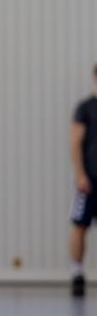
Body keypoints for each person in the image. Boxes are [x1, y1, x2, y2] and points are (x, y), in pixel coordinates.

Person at [69, 65, 97, 297]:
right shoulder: (85, 108)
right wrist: (80, 174)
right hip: (90, 178)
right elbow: (75, 143)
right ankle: (77, 273)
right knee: (80, 225)